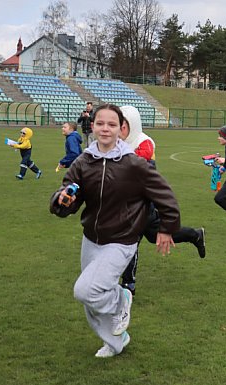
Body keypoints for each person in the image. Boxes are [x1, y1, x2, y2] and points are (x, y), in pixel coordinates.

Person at [50, 104, 181, 358]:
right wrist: (62, 200)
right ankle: (115, 342)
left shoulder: (134, 164)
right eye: (100, 123)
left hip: (122, 239)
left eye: (112, 124)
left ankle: (122, 298)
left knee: (86, 290)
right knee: (92, 301)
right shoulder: (84, 161)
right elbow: (69, 192)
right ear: (93, 126)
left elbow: (165, 195)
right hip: (92, 238)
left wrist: (167, 227)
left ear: (121, 129)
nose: (105, 129)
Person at [117, 105, 205, 296]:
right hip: (128, 204)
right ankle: (194, 235)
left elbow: (140, 168)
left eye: (122, 125)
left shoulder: (144, 142)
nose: (118, 129)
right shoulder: (118, 142)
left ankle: (128, 285)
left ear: (132, 124)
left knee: (130, 241)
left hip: (142, 203)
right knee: (151, 235)